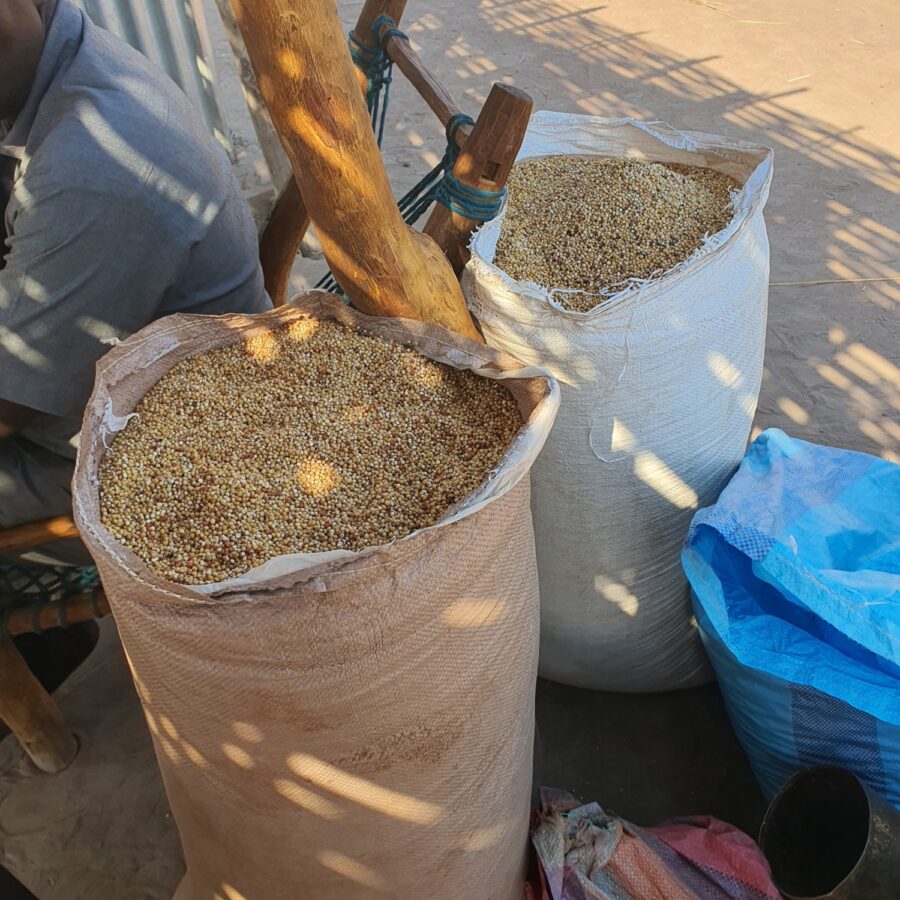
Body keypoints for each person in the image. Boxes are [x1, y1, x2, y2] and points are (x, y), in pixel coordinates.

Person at [0, 0, 271, 562]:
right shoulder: (68, 55)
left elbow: (8, 410)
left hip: (149, 464)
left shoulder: (94, 169)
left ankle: (46, 641)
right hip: (100, 388)